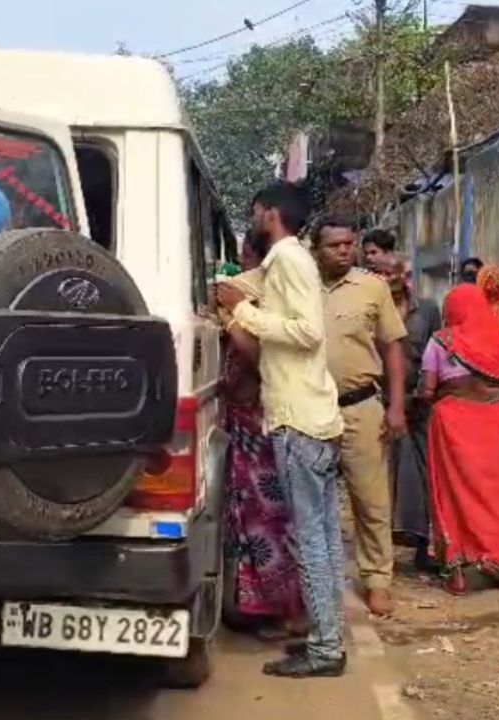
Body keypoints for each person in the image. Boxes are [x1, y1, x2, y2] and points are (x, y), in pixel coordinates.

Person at [215, 181, 347, 679]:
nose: (252, 219)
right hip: (313, 418)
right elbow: (249, 288)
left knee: (310, 540)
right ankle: (326, 639)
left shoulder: (290, 261)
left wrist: (243, 312)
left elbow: (307, 330)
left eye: (254, 212)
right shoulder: (283, 264)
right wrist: (235, 295)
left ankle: (325, 650)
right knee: (324, 540)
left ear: (270, 214)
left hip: (300, 421)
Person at [314, 216, 408, 617]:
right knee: (315, 504)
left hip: (362, 407)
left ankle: (377, 580)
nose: (345, 250)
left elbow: (392, 348)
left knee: (371, 501)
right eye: (335, 244)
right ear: (316, 249)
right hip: (311, 409)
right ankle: (319, 583)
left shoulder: (372, 288)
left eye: (349, 243)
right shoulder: (300, 287)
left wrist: (397, 405)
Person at [219, 238, 308, 639]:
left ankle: (291, 611)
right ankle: (263, 606)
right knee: (249, 521)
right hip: (243, 428)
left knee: (272, 522)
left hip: (261, 431)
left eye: (247, 261)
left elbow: (259, 360)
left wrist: (235, 316)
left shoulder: (261, 316)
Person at [421, 284, 499, 594]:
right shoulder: (498, 342)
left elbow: (427, 388)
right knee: (494, 492)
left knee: (453, 492)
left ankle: (457, 570)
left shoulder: (441, 341)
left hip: (452, 424)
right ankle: (496, 560)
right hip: (493, 423)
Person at [373, 254, 442, 574]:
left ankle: (423, 544)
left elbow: (438, 351)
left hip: (421, 402)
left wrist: (424, 393)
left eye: (393, 273)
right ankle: (381, 551)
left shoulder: (427, 310)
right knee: (383, 477)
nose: (388, 279)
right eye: (381, 273)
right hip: (379, 401)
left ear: (406, 275)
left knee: (426, 474)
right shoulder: (369, 307)